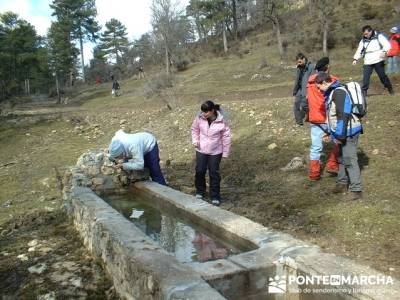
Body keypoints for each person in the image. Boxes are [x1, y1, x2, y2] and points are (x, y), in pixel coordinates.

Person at [315, 72, 363, 200]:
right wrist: (330, 132)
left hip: (348, 132)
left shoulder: (339, 92)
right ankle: (342, 183)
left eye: (318, 87)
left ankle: (356, 190)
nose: (318, 90)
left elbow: (343, 114)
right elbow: (334, 117)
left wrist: (340, 136)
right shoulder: (332, 92)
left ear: (324, 82)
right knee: (342, 158)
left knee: (350, 160)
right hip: (342, 131)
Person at [191, 100, 231, 206]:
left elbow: (226, 137)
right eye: (202, 112)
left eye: (206, 112)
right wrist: (195, 141)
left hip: (215, 151)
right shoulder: (199, 119)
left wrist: (225, 152)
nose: (204, 114)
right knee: (199, 171)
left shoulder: (222, 121)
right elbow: (194, 129)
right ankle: (200, 191)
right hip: (201, 149)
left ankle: (215, 196)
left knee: (214, 173)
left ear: (212, 111)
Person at [306, 57, 339, 181]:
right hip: (328, 118)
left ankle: (314, 174)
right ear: (327, 67)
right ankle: (332, 163)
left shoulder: (309, 83)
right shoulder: (332, 81)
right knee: (340, 141)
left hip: (314, 118)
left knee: (315, 146)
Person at [353, 25, 394, 96]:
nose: (365, 35)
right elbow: (359, 50)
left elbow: (387, 45)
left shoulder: (379, 36)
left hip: (378, 59)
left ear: (371, 31)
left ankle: (389, 88)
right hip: (368, 61)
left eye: (367, 33)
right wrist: (355, 59)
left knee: (382, 76)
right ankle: (364, 92)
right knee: (366, 77)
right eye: (364, 34)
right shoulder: (363, 40)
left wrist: (384, 52)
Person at [292, 53, 315, 126]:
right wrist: (295, 90)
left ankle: (312, 115)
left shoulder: (311, 67)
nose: (299, 63)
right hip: (300, 89)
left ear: (304, 59)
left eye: (300, 61)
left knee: (304, 105)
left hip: (307, 89)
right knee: (296, 105)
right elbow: (297, 80)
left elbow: (312, 80)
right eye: (298, 62)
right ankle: (299, 122)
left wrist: (309, 92)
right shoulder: (299, 68)